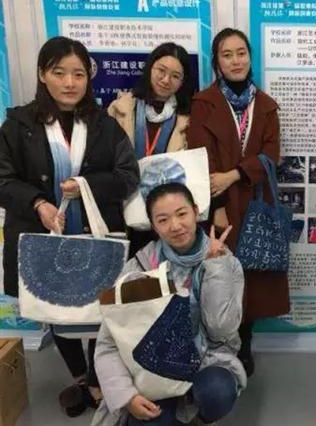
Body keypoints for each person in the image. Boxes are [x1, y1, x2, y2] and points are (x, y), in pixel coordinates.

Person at [0, 36, 139, 416]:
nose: (69, 82)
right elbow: (3, 179)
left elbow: (128, 175)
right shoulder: (18, 125)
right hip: (43, 234)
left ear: (88, 78)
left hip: (96, 235)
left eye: (78, 74)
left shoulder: (104, 125)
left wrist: (87, 185)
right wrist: (38, 202)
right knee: (55, 308)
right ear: (42, 74)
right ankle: (80, 378)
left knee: (99, 310)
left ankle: (96, 378)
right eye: (59, 73)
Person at [92, 182, 246, 426]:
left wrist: (216, 268)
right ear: (153, 226)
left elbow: (222, 329)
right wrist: (127, 396)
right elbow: (108, 343)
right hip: (151, 368)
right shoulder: (140, 268)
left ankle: (199, 418)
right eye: (163, 220)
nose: (175, 226)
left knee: (217, 392)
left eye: (182, 214)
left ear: (196, 211)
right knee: (147, 421)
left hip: (206, 360)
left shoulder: (227, 262)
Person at [188, 28, 290, 376]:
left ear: (250, 57)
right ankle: (216, 347)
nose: (235, 61)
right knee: (219, 277)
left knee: (251, 282)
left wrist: (234, 175)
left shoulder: (266, 105)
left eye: (241, 53)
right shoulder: (204, 103)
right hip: (217, 206)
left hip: (254, 202)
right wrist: (216, 206)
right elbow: (200, 157)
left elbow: (271, 155)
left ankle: (244, 346)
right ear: (216, 62)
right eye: (227, 54)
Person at [107, 42, 193, 255]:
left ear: (183, 82)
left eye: (175, 76)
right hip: (124, 207)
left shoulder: (188, 119)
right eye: (161, 71)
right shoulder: (120, 109)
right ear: (149, 69)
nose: (166, 80)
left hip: (169, 217)